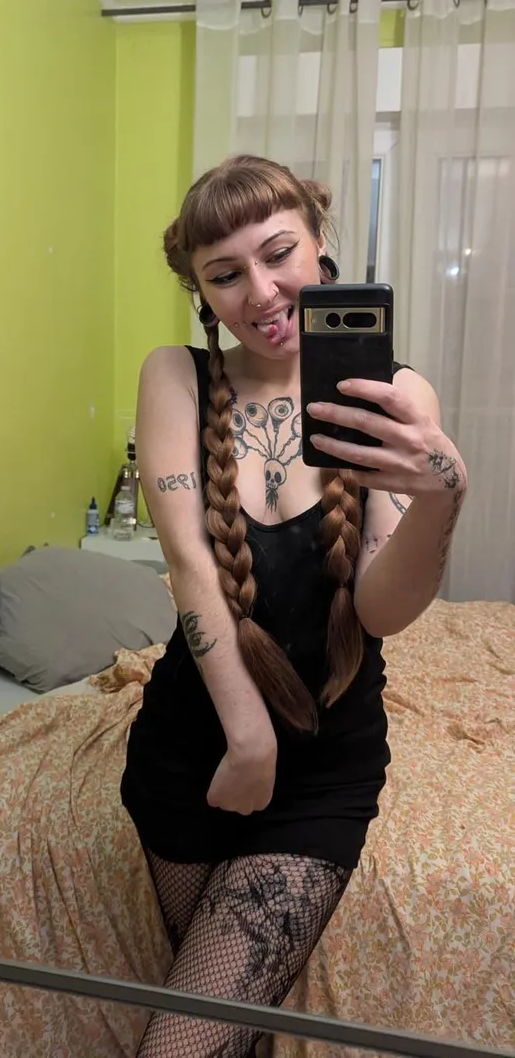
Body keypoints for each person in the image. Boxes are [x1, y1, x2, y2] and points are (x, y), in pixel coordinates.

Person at [120, 154, 467, 1058]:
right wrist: (247, 737)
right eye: (225, 274)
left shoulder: (397, 392)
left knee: (185, 1043)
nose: (262, 292)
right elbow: (190, 562)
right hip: (188, 754)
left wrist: (442, 495)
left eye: (279, 254)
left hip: (323, 769)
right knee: (224, 1026)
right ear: (201, 292)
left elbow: (381, 613)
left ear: (320, 246)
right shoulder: (175, 377)